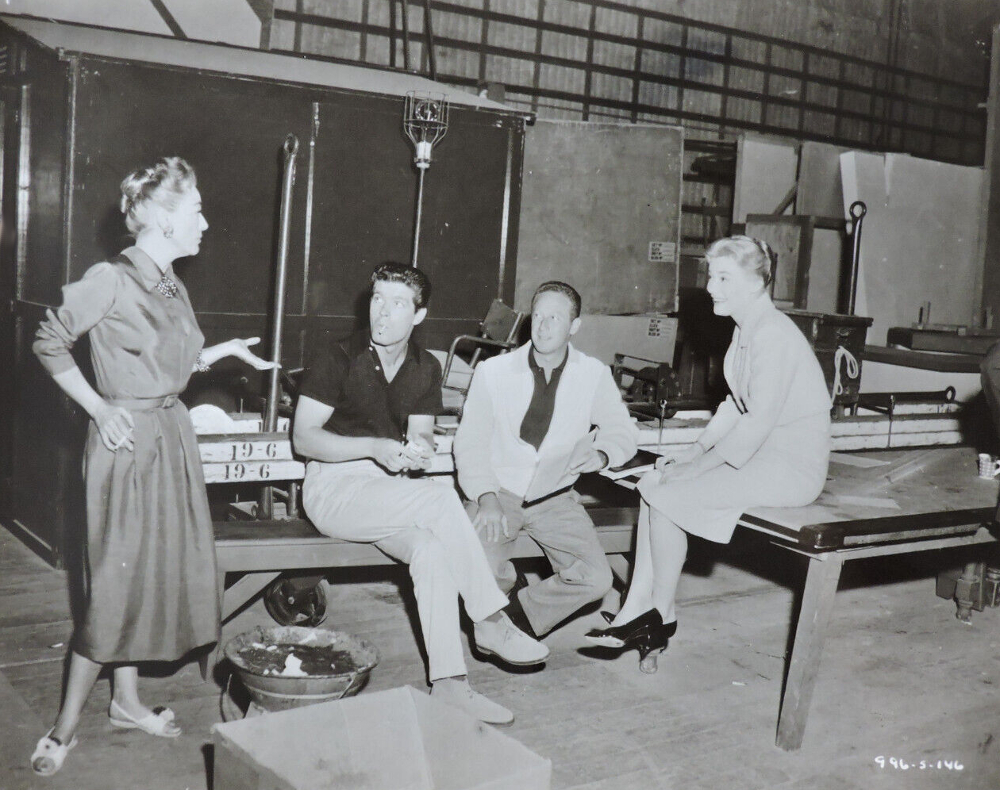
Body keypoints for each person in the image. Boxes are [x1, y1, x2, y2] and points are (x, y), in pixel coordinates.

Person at [30, 157, 278, 775]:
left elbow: (165, 358)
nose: (205, 221)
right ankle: (62, 730)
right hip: (127, 442)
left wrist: (220, 353)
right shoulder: (108, 278)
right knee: (116, 585)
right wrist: (96, 407)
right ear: (164, 219)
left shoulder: (168, 280)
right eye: (195, 209)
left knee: (145, 575)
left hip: (170, 435)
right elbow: (48, 340)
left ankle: (127, 701)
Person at [293, 262, 549, 726]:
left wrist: (417, 450)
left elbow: (423, 435)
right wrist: (374, 447)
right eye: (377, 300)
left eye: (396, 304)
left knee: (431, 551)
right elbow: (304, 438)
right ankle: (490, 619)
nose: (382, 313)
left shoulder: (425, 367)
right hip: (333, 489)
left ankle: (449, 683)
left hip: (386, 491)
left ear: (418, 315)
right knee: (438, 500)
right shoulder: (337, 356)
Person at [586, 236, 831, 665]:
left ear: (758, 281)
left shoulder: (773, 335)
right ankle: (637, 609)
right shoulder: (745, 330)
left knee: (670, 491)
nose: (711, 287)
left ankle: (660, 613)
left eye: (724, 277)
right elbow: (734, 405)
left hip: (790, 468)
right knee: (655, 481)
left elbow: (757, 421)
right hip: (760, 456)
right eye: (710, 276)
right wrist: (695, 451)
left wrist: (698, 469)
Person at [454, 281, 638, 641]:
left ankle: (520, 617)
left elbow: (623, 430)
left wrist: (602, 454)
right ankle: (499, 599)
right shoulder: (493, 371)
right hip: (499, 492)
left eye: (554, 318)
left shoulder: (593, 374)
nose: (543, 326)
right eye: (537, 316)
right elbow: (470, 442)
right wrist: (485, 498)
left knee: (596, 577)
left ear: (574, 326)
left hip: (555, 497)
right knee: (480, 569)